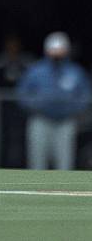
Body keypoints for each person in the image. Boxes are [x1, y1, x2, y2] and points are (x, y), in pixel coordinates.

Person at [17, 31, 92, 170]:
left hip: (65, 122)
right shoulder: (36, 71)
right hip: (40, 120)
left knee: (64, 162)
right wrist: (38, 106)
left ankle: (63, 190)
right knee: (37, 162)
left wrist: (71, 110)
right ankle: (36, 189)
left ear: (66, 50)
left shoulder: (75, 72)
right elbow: (22, 94)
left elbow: (85, 95)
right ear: (47, 49)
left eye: (60, 49)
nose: (57, 53)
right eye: (54, 49)